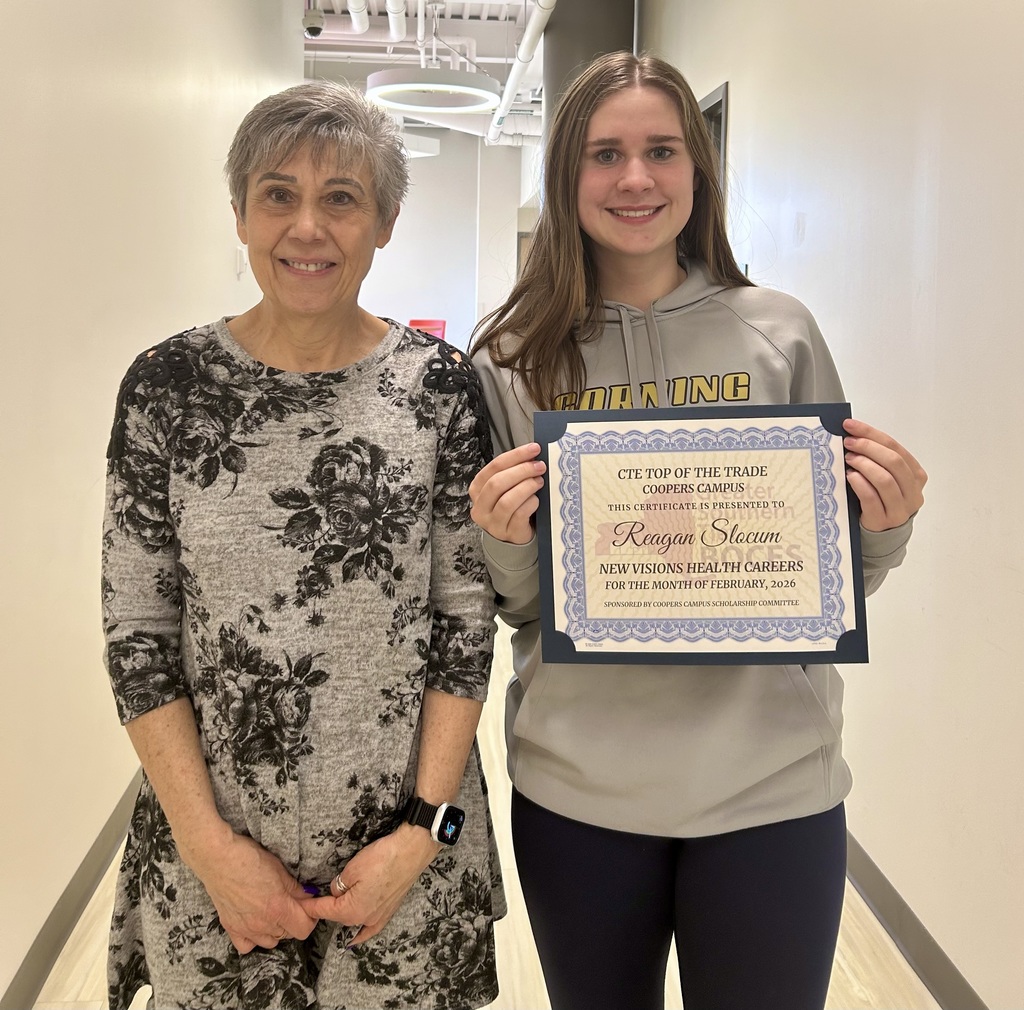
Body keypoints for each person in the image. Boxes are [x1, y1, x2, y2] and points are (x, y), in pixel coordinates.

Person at [468, 51, 927, 1010]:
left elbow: (827, 573)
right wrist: (507, 537)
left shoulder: (780, 331)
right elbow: (519, 604)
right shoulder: (510, 356)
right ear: (566, 173)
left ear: (698, 170)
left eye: (662, 150)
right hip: (580, 791)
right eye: (605, 153)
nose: (636, 179)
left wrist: (883, 525)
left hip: (774, 788)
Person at [101, 80, 504, 1010]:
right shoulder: (168, 386)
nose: (307, 228)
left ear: (386, 222)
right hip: (218, 854)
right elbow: (137, 634)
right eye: (278, 194)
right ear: (240, 212)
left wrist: (422, 833)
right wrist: (211, 851)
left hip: (404, 850)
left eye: (341, 198)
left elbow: (463, 623)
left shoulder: (439, 390)